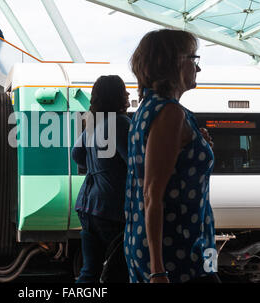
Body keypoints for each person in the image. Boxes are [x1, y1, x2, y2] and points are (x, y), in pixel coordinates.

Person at [124, 29, 220, 283]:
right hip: (178, 249)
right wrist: (158, 270)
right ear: (173, 62)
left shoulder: (151, 108)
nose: (197, 69)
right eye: (193, 59)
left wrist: (198, 144)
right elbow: (151, 193)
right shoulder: (170, 113)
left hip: (187, 242)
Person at [71, 75, 131, 283]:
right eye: (124, 91)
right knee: (119, 272)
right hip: (111, 209)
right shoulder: (121, 123)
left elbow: (76, 154)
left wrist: (94, 166)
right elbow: (136, 164)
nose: (128, 94)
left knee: (90, 270)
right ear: (118, 96)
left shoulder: (93, 123)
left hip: (87, 206)